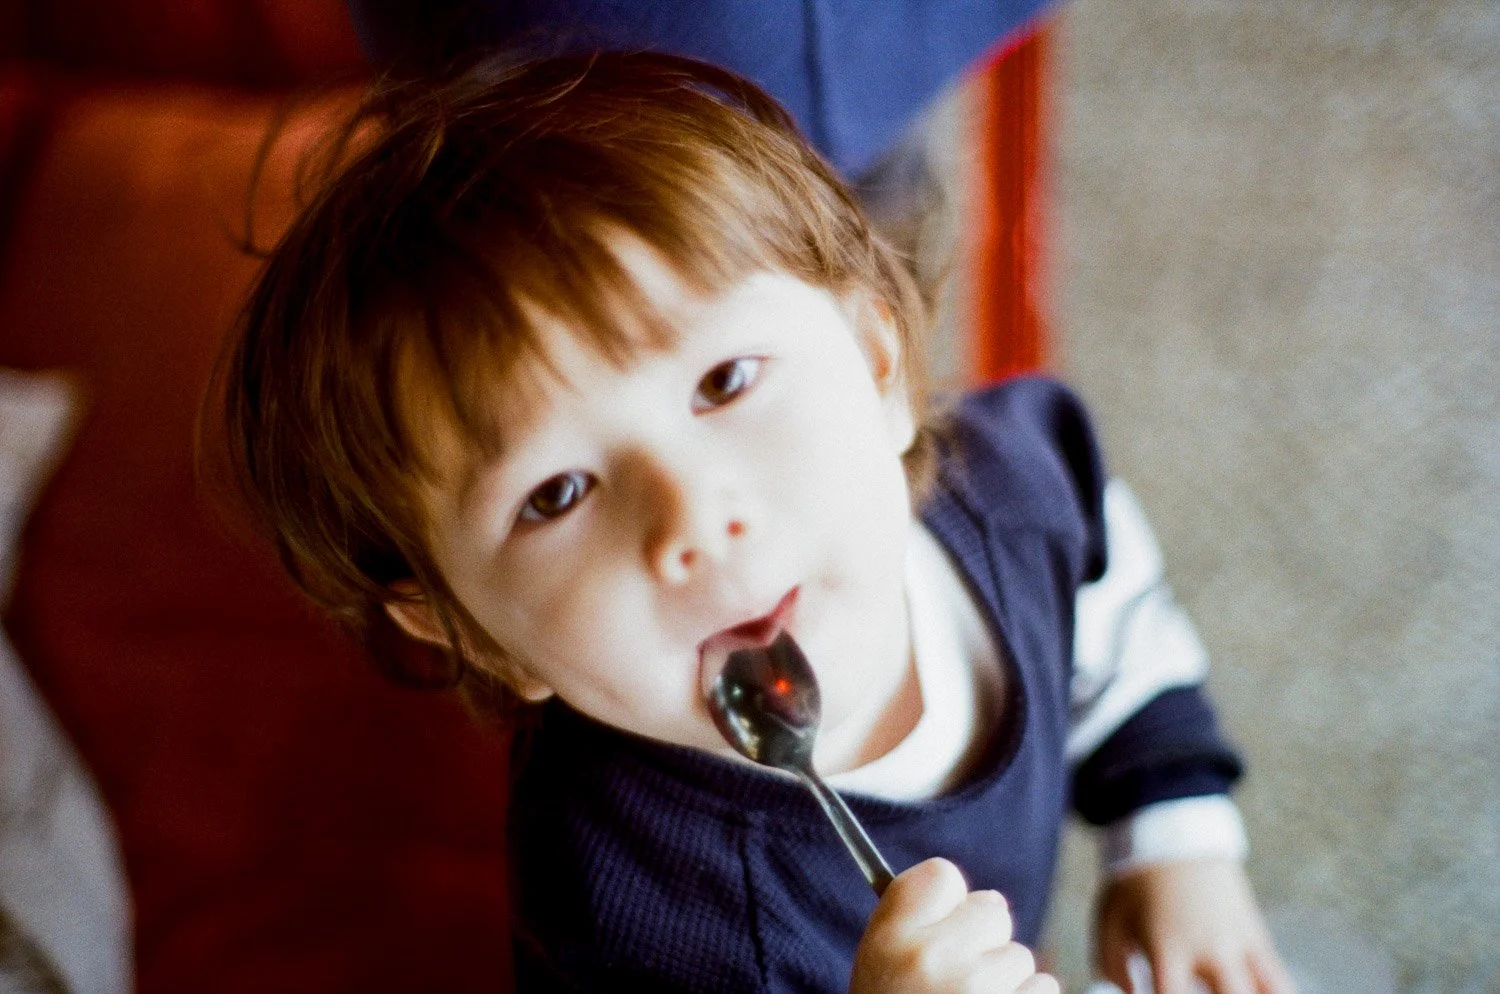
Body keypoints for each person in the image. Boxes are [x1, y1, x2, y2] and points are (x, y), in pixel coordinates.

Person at [216, 51, 1294, 993]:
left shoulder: (1011, 483)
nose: (692, 518)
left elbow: (1103, 591)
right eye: (555, 493)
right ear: (474, 632)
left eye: (726, 380)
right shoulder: (635, 912)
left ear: (877, 364)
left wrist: (1174, 832)